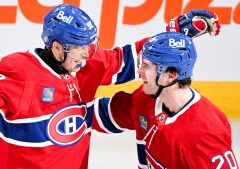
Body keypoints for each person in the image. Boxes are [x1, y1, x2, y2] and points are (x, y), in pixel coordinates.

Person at [0, 3, 221, 169]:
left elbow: (130, 59)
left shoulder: (84, 64)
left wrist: (174, 37)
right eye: (81, 49)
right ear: (57, 48)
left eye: (91, 46)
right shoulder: (21, 71)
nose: (89, 55)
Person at [94, 32, 239, 168]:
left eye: (147, 66)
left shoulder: (205, 132)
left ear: (171, 75)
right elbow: (105, 114)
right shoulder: (145, 99)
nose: (139, 71)